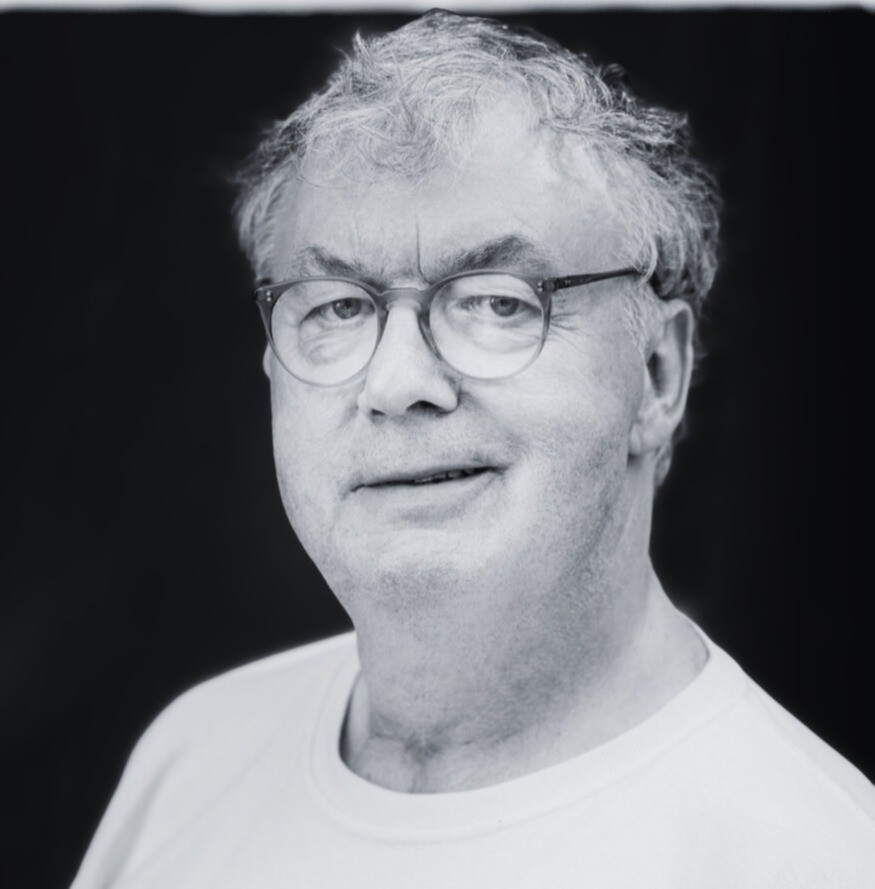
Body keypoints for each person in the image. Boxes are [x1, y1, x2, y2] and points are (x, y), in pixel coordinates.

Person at [71, 11, 874, 888]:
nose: (396, 381)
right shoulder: (193, 760)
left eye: (498, 301)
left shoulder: (806, 857)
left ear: (657, 373)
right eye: (337, 305)